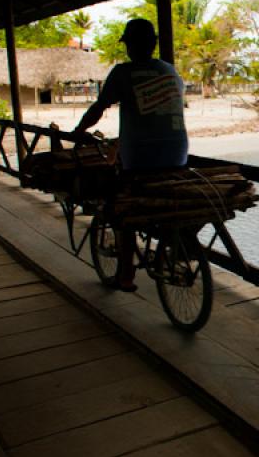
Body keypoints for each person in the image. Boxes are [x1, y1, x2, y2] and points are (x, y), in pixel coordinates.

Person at [73, 18, 188, 291]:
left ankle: (125, 276)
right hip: (178, 153)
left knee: (123, 209)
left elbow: (99, 108)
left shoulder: (123, 73)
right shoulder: (172, 72)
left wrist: (80, 129)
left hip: (141, 157)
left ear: (130, 46)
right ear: (154, 44)